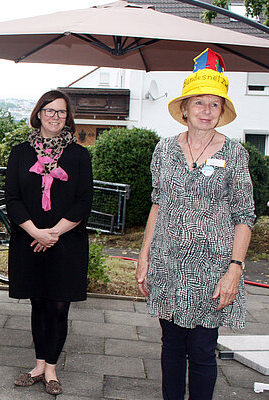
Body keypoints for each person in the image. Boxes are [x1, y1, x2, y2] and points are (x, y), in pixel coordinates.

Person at [136, 49, 255, 400]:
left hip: (211, 269)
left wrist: (234, 270)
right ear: (184, 108)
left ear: (222, 111)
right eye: (199, 103)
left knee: (203, 350)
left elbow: (244, 215)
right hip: (168, 263)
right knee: (171, 345)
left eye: (214, 104)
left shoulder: (235, 154)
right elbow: (158, 203)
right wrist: (144, 255)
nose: (206, 111)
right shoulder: (164, 150)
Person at [6, 90, 93, 395]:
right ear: (38, 113)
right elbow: (13, 199)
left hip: (66, 242)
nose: (55, 117)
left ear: (67, 117)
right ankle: (39, 365)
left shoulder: (80, 155)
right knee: (38, 303)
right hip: (28, 241)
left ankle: (52, 369)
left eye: (61, 112)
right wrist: (36, 233)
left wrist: (53, 233)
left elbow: (84, 203)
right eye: (50, 110)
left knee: (59, 306)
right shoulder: (19, 153)